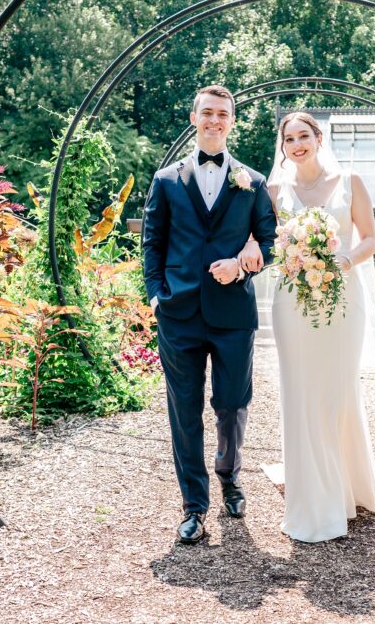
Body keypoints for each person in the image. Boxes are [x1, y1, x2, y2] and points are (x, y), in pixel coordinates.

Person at [141, 85, 278, 544]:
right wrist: (157, 294)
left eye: (223, 114)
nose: (215, 121)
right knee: (184, 409)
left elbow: (269, 241)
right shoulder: (165, 180)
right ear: (194, 117)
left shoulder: (253, 182)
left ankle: (230, 474)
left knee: (232, 403)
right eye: (208, 113)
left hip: (234, 313)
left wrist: (242, 263)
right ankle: (193, 505)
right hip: (178, 313)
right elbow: (152, 243)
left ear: (232, 121)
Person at [238, 112, 375, 542]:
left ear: (319, 139)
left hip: (343, 300)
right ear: (283, 147)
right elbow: (260, 239)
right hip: (294, 304)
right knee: (300, 394)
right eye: (289, 139)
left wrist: (343, 259)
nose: (297, 144)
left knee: (338, 392)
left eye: (304, 136)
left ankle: (349, 486)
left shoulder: (351, 182)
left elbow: (371, 238)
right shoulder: (274, 191)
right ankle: (313, 502)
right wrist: (266, 250)